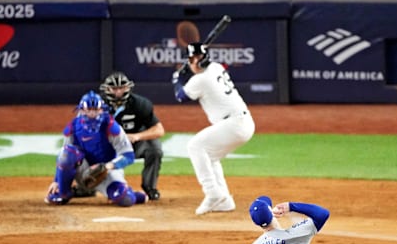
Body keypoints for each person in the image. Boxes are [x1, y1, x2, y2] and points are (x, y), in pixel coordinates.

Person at [172, 42, 255, 215]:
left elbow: (181, 96)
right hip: (242, 122)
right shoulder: (216, 67)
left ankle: (212, 193)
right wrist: (189, 73)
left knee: (195, 146)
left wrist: (177, 79)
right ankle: (224, 200)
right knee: (210, 156)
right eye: (191, 59)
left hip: (233, 124)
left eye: (197, 58)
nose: (194, 62)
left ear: (204, 58)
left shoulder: (200, 79)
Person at [44, 90, 148, 207]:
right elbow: (64, 156)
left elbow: (128, 156)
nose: (92, 114)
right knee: (67, 153)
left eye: (95, 110)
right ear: (81, 110)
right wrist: (57, 181)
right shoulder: (73, 126)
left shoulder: (111, 127)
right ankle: (63, 193)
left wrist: (107, 167)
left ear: (102, 110)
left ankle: (134, 194)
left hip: (107, 170)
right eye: (89, 110)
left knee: (125, 200)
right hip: (83, 169)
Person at [99, 71, 165, 201]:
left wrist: (137, 136)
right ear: (107, 89)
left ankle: (150, 187)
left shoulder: (140, 104)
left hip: (134, 144)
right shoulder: (98, 105)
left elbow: (159, 130)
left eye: (121, 88)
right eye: (114, 88)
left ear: (128, 87)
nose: (118, 92)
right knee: (87, 150)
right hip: (109, 146)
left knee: (155, 149)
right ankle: (85, 187)